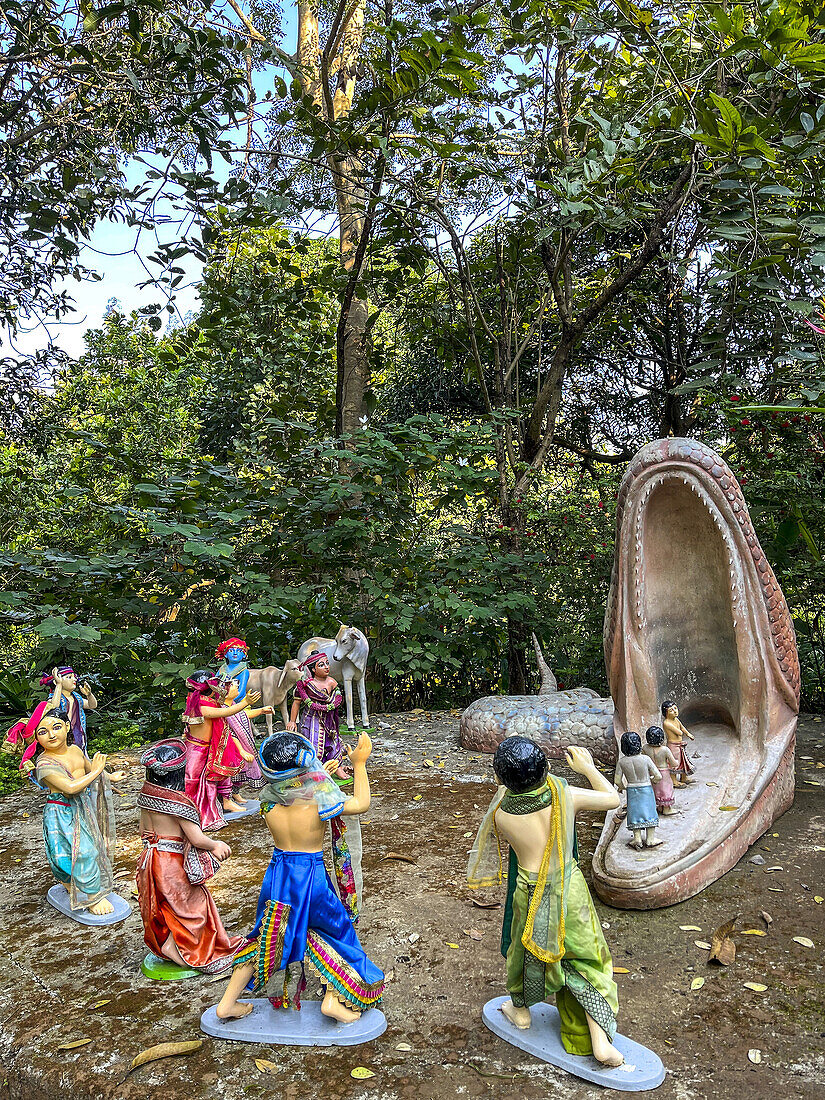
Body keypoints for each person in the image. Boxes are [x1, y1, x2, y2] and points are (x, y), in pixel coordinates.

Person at [467, 736, 623, 1067]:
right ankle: (599, 1041)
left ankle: (520, 1011)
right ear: (548, 770)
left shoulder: (500, 815)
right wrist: (588, 768)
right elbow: (612, 798)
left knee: (524, 954)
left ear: (499, 780)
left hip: (530, 893)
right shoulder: (565, 795)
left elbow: (512, 793)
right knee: (587, 960)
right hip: (569, 890)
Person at [216, 731, 384, 1023]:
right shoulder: (318, 802)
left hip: (278, 875)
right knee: (336, 933)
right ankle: (334, 999)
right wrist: (359, 764)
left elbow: (294, 786)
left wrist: (321, 774)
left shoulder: (267, 802)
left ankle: (227, 1003)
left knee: (267, 935)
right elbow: (361, 803)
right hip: (311, 877)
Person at [136, 738, 244, 972]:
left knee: (164, 905)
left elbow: (143, 830)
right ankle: (182, 950)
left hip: (150, 857)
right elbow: (196, 838)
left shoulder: (147, 795)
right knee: (191, 906)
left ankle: (166, 941)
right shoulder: (178, 802)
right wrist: (215, 845)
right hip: (171, 862)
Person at [33, 702, 124, 915]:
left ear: (67, 726)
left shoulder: (75, 749)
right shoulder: (44, 764)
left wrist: (108, 776)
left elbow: (89, 768)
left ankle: (82, 884)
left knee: (91, 845)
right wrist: (98, 770)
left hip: (82, 807)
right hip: (61, 811)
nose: (51, 735)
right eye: (43, 732)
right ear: (37, 738)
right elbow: (70, 788)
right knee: (72, 851)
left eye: (56, 727)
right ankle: (91, 897)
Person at [182, 670, 264, 829]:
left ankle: (225, 802)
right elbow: (225, 712)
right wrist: (245, 701)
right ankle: (197, 812)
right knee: (198, 782)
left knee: (220, 775)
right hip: (198, 752)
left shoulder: (207, 702)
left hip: (212, 748)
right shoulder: (200, 705)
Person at [5, 665, 97, 763]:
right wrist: (58, 685)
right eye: (69, 677)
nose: (74, 679)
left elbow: (92, 705)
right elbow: (53, 706)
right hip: (61, 733)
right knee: (64, 757)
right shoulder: (55, 698)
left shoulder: (77, 697)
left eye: (74, 676)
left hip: (77, 731)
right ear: (56, 681)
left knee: (80, 754)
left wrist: (89, 694)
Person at [287, 650, 346, 780]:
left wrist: (329, 706)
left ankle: (337, 767)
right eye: (321, 665)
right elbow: (296, 703)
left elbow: (336, 698)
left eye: (327, 663)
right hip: (311, 719)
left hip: (329, 719)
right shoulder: (306, 685)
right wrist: (292, 721)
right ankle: (313, 770)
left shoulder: (332, 682)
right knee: (313, 743)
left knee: (333, 742)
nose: (326, 667)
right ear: (313, 669)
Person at [222, 677, 268, 805]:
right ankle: (227, 798)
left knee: (239, 774)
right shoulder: (222, 709)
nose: (236, 685)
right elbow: (229, 733)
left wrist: (261, 710)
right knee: (230, 774)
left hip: (240, 746)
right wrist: (241, 750)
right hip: (230, 748)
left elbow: (242, 714)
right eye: (231, 685)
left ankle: (235, 793)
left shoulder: (233, 705)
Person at [614, 731, 662, 849]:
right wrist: (653, 780)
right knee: (649, 811)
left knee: (634, 812)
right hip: (645, 787)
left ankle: (637, 839)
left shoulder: (622, 762)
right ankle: (650, 839)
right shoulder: (645, 759)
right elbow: (658, 776)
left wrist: (623, 787)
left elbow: (617, 780)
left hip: (631, 788)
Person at [644, 726, 678, 815]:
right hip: (663, 772)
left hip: (651, 772)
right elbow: (674, 763)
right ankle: (667, 808)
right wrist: (677, 762)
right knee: (666, 789)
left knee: (656, 789)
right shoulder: (664, 750)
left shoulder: (645, 748)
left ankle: (659, 806)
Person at [661, 700, 695, 786]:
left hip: (680, 745)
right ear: (666, 713)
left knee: (683, 761)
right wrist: (682, 732)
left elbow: (682, 728)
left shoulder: (676, 720)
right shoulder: (666, 723)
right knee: (674, 763)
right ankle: (674, 781)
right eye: (671, 710)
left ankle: (684, 777)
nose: (675, 711)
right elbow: (679, 732)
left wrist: (688, 734)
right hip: (673, 746)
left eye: (675, 708)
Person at [216, 637, 251, 703]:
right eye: (231, 651)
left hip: (237, 704)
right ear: (225, 655)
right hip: (221, 701)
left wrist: (226, 702)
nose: (235, 653)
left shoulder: (244, 671)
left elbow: (240, 692)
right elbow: (214, 684)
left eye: (239, 651)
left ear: (244, 655)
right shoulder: (222, 669)